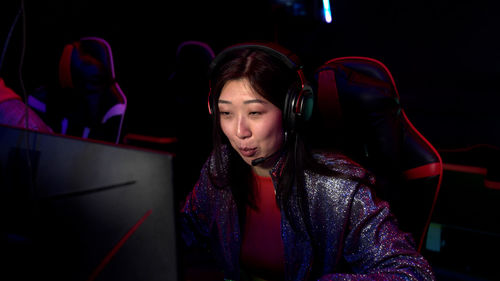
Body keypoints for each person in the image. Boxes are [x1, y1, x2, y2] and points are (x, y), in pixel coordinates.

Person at [180, 42, 435, 281]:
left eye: (255, 113)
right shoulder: (220, 166)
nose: (239, 131)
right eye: (226, 113)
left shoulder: (339, 188)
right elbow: (184, 232)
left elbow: (412, 272)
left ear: (295, 110)